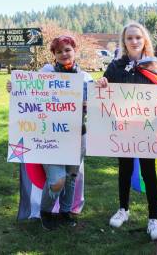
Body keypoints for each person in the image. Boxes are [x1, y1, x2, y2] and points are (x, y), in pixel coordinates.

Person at [96, 22, 157, 241]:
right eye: (130, 38)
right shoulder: (116, 66)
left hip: (148, 129)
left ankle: (153, 218)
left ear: (144, 39)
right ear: (124, 42)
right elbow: (105, 90)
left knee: (148, 170)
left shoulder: (154, 65)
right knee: (124, 168)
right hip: (124, 128)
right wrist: (102, 83)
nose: (134, 41)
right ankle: (123, 209)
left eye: (138, 37)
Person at [7, 35, 93, 230]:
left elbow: (96, 108)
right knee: (57, 180)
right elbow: (30, 92)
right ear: (54, 54)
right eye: (59, 51)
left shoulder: (86, 78)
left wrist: (89, 105)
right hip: (49, 137)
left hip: (76, 135)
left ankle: (65, 213)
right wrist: (15, 88)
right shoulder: (46, 72)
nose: (64, 54)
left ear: (75, 51)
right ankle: (46, 211)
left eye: (68, 49)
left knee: (71, 177)